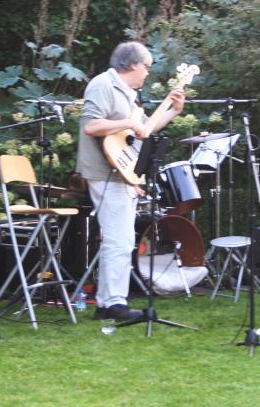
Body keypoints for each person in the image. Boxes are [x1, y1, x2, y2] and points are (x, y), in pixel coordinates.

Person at [77, 41, 186, 321]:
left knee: (122, 240)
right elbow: (91, 126)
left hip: (122, 172)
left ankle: (108, 302)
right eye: (147, 67)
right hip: (104, 172)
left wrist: (173, 111)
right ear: (133, 65)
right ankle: (112, 304)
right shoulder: (103, 85)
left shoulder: (129, 94)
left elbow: (144, 130)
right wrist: (126, 124)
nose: (148, 73)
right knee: (119, 240)